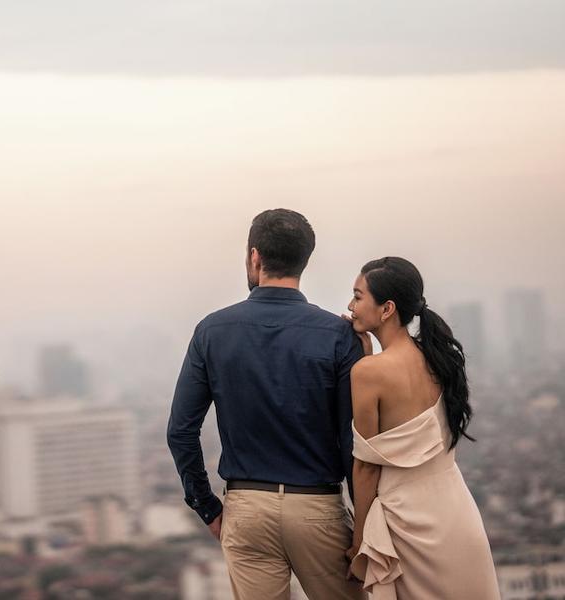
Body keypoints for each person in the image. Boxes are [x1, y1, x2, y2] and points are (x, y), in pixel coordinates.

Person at [167, 209, 366, 600]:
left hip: (247, 509)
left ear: (254, 257)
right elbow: (353, 441)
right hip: (318, 509)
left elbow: (180, 432)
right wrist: (363, 526)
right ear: (304, 260)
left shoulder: (212, 331)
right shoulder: (339, 335)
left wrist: (207, 507)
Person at [344, 256, 500, 599]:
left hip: (407, 523)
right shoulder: (438, 357)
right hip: (457, 517)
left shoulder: (367, 373)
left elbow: (366, 467)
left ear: (387, 309)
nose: (351, 306)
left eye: (357, 296)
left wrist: (359, 543)